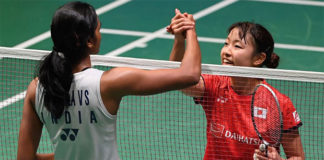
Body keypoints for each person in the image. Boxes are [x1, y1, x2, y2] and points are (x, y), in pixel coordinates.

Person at [17, 2, 199, 160]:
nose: (100, 34)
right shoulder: (109, 83)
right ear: (89, 41)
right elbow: (189, 74)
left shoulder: (37, 88)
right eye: (98, 29)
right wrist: (189, 29)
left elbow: (24, 158)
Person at [168, 13, 304, 160]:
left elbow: (297, 156)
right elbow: (179, 79)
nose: (226, 51)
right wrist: (180, 39)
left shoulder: (279, 103)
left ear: (259, 58)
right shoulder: (215, 86)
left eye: (237, 46)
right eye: (226, 44)